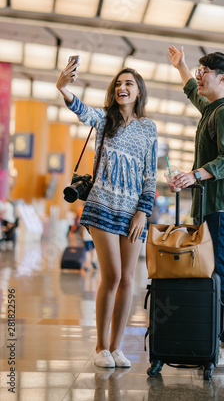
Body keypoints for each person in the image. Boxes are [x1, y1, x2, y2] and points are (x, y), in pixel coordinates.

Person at [56, 58, 158, 368]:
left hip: (132, 213)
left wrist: (143, 212)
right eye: (118, 84)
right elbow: (81, 109)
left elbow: (150, 175)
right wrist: (63, 87)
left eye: (128, 84)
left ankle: (116, 348)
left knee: (128, 278)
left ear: (139, 92)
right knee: (112, 276)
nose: (122, 87)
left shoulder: (148, 128)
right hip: (101, 206)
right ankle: (100, 346)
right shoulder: (104, 120)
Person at [168, 45, 224, 368]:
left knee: (222, 274)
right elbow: (193, 94)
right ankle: (217, 338)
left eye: (204, 73)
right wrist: (182, 66)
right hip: (209, 206)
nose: (199, 78)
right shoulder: (213, 109)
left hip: (222, 208)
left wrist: (194, 175)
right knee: (211, 272)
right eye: (198, 73)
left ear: (222, 77)